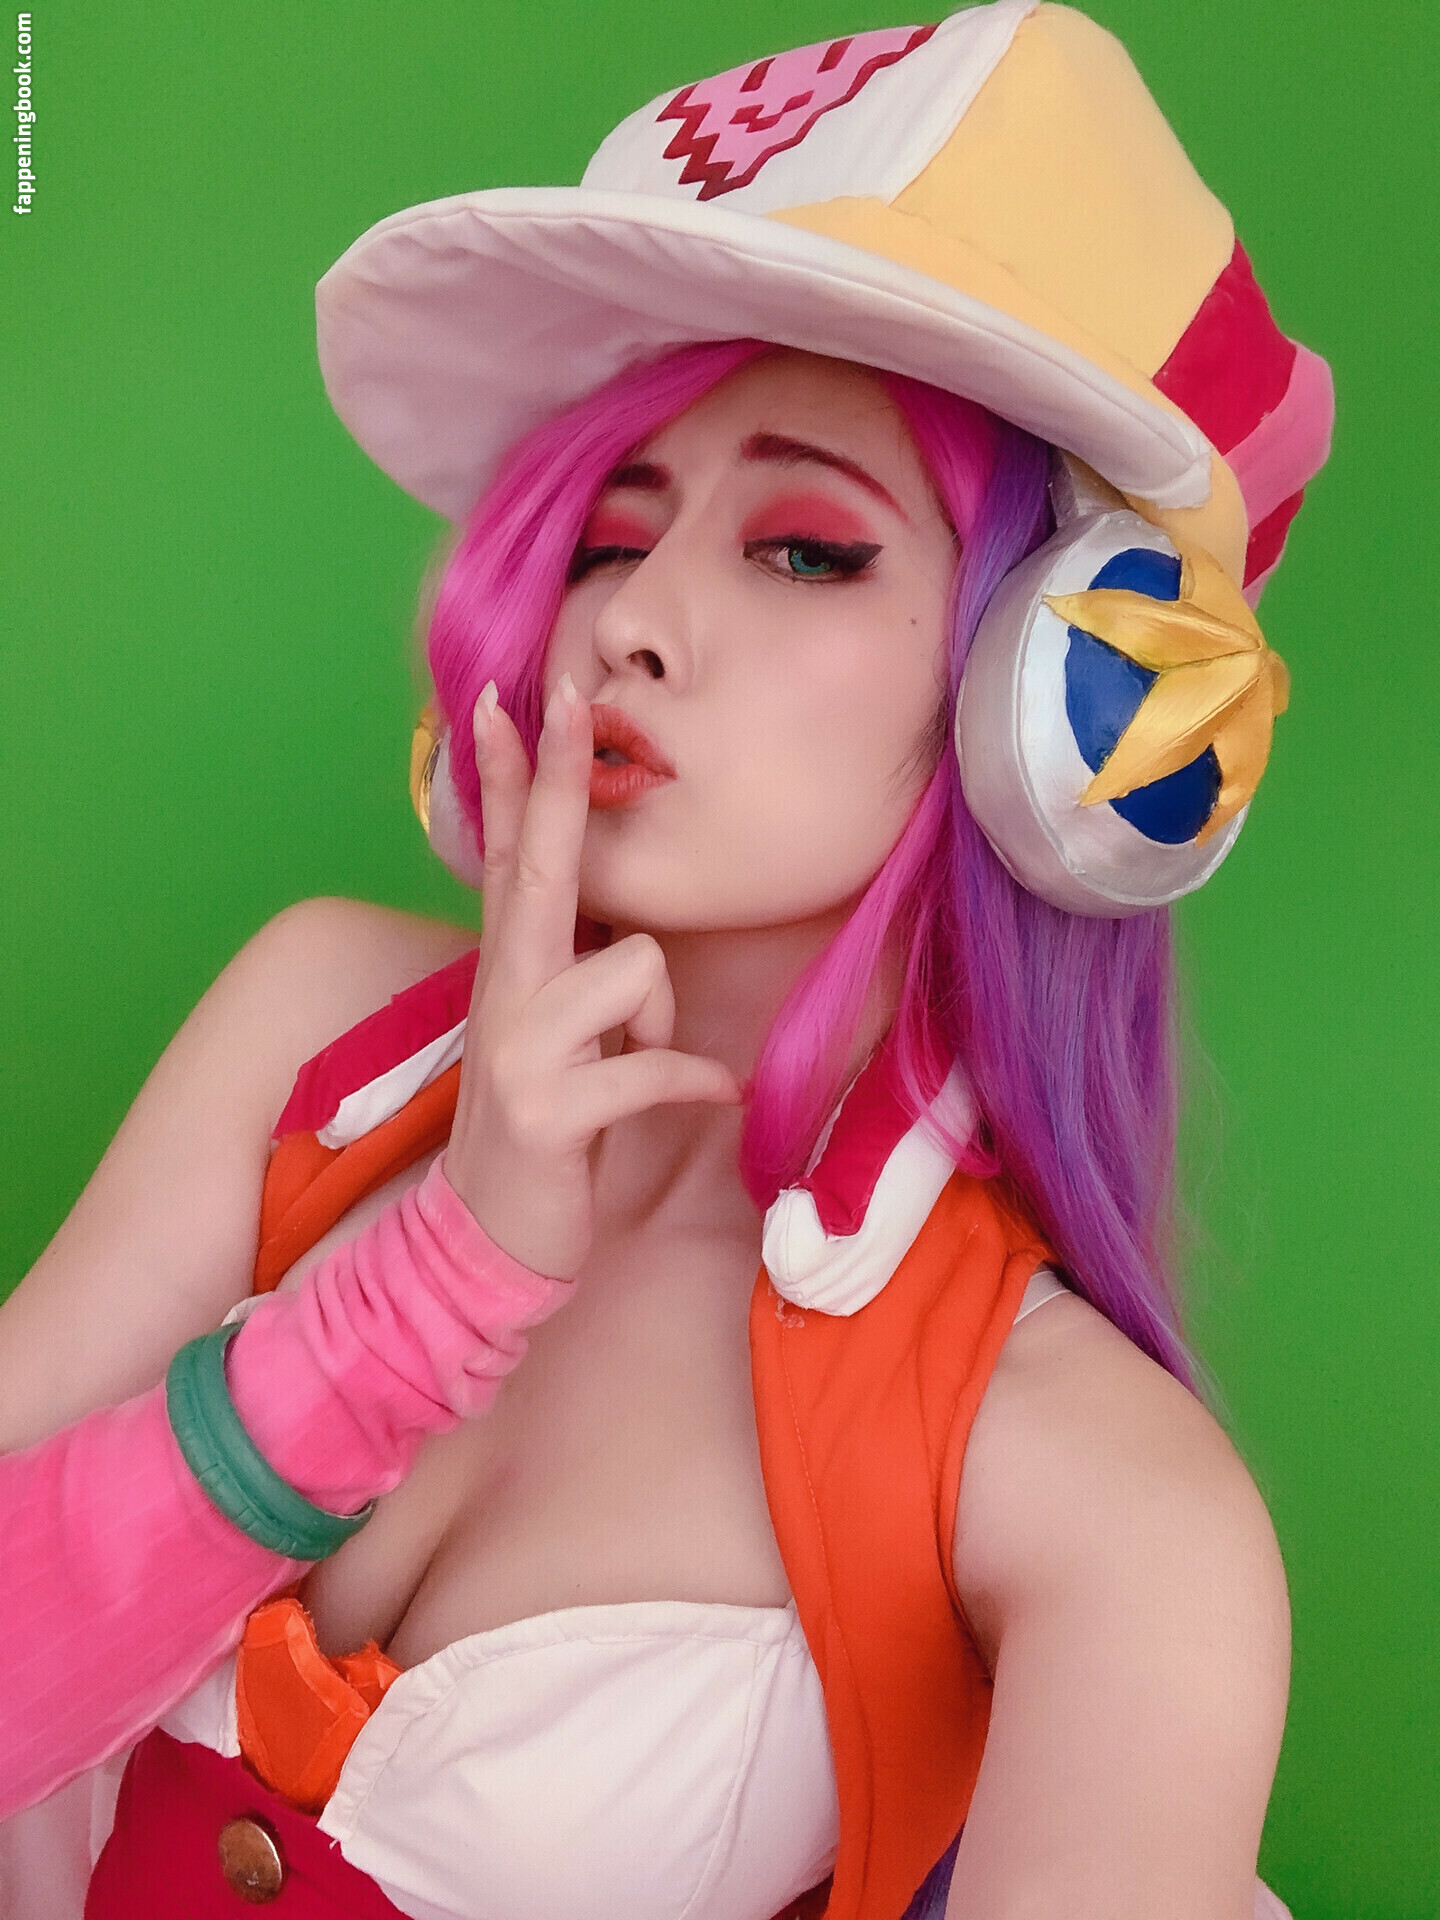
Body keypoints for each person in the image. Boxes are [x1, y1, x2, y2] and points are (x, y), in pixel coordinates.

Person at [0, 5, 1332, 1917]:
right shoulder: (320, 1036)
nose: (628, 621)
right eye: (609, 537)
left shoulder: (1098, 1496)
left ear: (1069, 699)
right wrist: (416, 1299)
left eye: (803, 549)